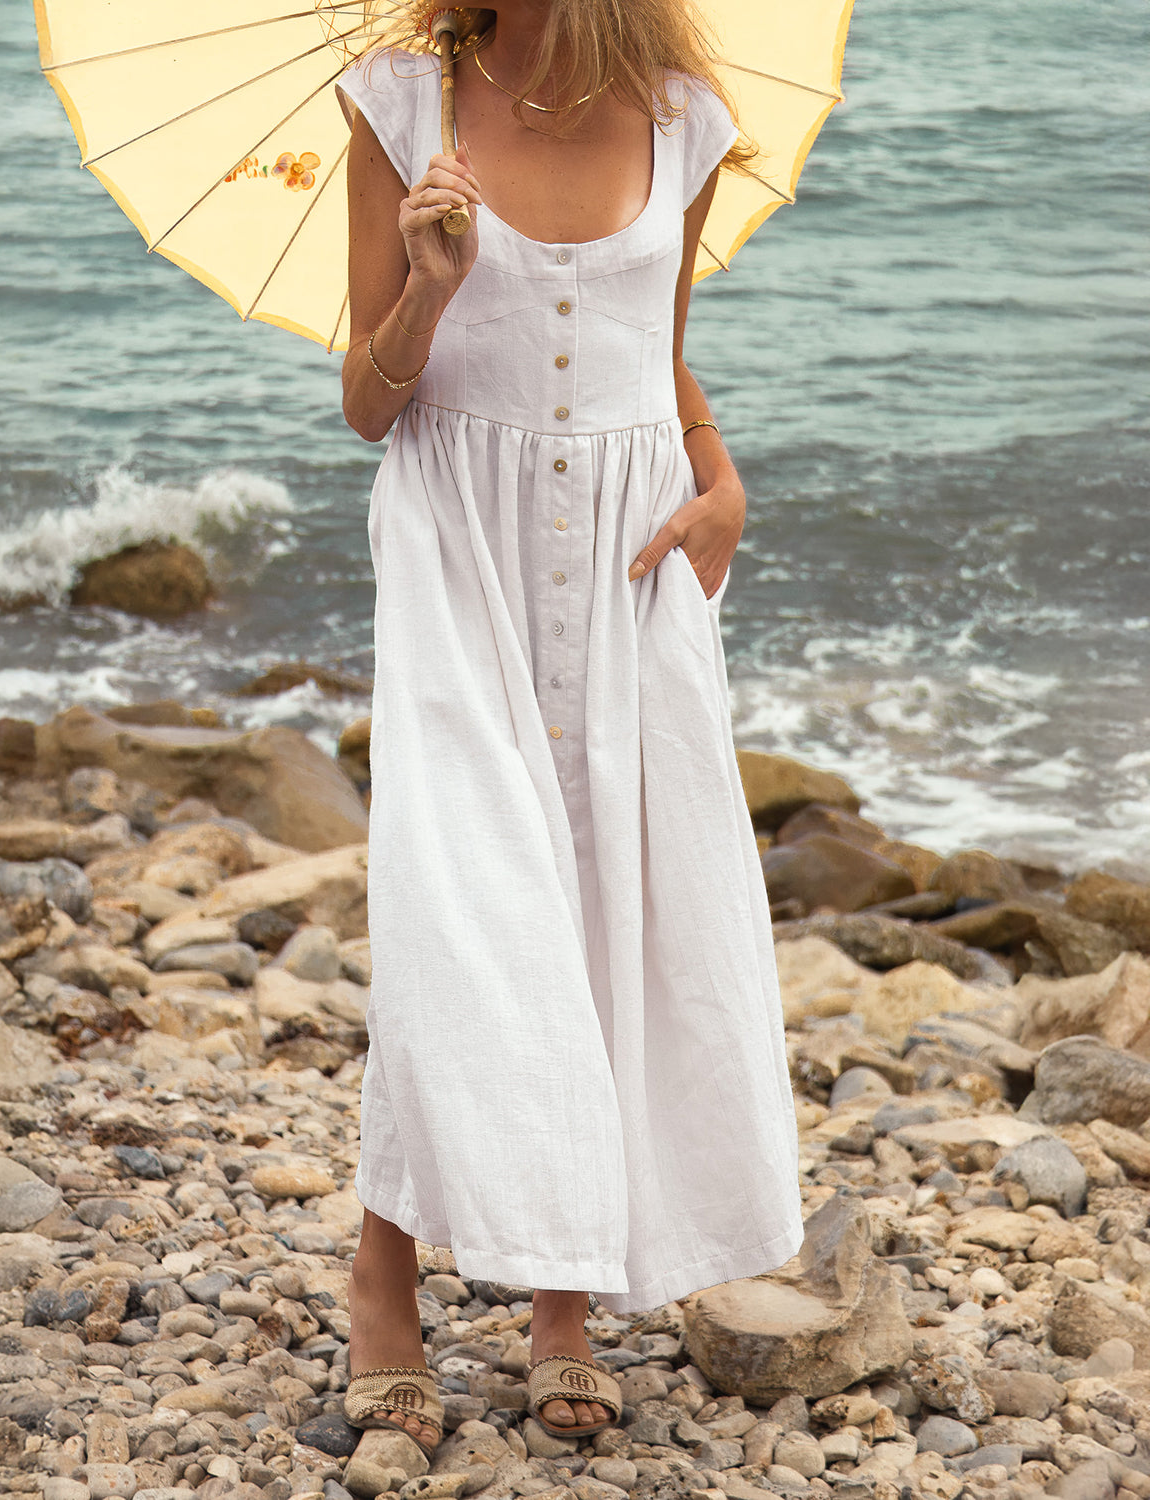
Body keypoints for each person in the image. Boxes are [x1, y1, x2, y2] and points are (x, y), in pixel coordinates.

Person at [335, 0, 803, 1452]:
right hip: (456, 542)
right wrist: (425, 284)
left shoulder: (685, 117)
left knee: (607, 900)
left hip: (631, 558)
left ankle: (565, 1301)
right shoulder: (398, 105)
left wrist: (722, 480)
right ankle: (382, 1276)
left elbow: (659, 352)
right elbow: (366, 400)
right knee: (457, 907)